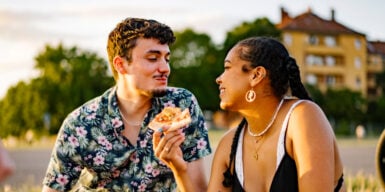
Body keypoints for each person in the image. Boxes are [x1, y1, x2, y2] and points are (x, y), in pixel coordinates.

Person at [42, 17, 211, 192]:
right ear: (121, 65)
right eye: (153, 58)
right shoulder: (81, 123)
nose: (165, 68)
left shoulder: (182, 105)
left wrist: (178, 168)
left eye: (166, 59)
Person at [208, 37, 344, 191]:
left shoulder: (302, 117)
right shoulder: (229, 144)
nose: (219, 79)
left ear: (256, 75)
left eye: (227, 67)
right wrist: (181, 169)